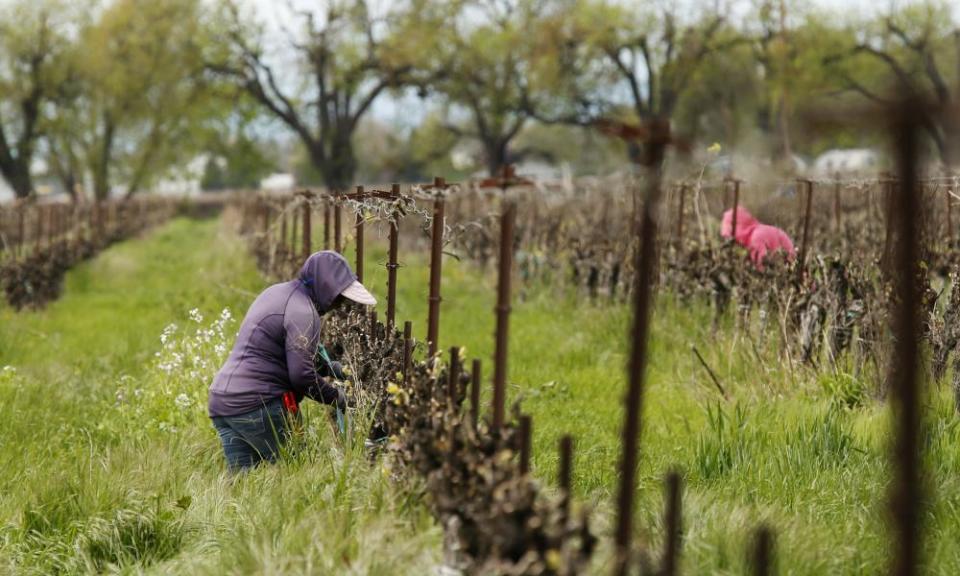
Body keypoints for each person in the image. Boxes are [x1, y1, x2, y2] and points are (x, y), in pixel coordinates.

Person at [208, 251, 376, 471]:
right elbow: (301, 375)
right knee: (294, 474)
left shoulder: (276, 293)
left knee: (241, 483)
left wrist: (327, 368)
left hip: (223, 402)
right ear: (326, 289)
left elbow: (278, 348)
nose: (339, 305)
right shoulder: (304, 313)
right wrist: (337, 397)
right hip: (260, 404)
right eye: (339, 298)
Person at [721, 206, 796, 269]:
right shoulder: (754, 232)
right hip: (784, 263)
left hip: (785, 265)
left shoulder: (756, 237)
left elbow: (760, 265)